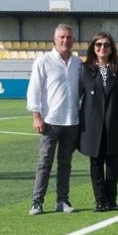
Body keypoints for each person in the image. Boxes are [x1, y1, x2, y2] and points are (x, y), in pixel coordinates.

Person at [27, 24, 82, 215]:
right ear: (55, 39)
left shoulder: (77, 63)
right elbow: (34, 89)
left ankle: (62, 200)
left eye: (68, 37)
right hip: (50, 121)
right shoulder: (43, 61)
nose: (65, 40)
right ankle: (37, 202)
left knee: (65, 164)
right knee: (44, 163)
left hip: (72, 121)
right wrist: (36, 115)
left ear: (73, 40)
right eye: (62, 37)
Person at [78, 32, 118, 212]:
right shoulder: (85, 69)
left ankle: (112, 199)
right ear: (93, 47)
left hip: (114, 125)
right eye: (98, 45)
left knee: (113, 165)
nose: (102, 48)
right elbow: (77, 95)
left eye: (106, 45)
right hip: (93, 126)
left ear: (111, 48)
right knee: (96, 164)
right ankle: (100, 200)